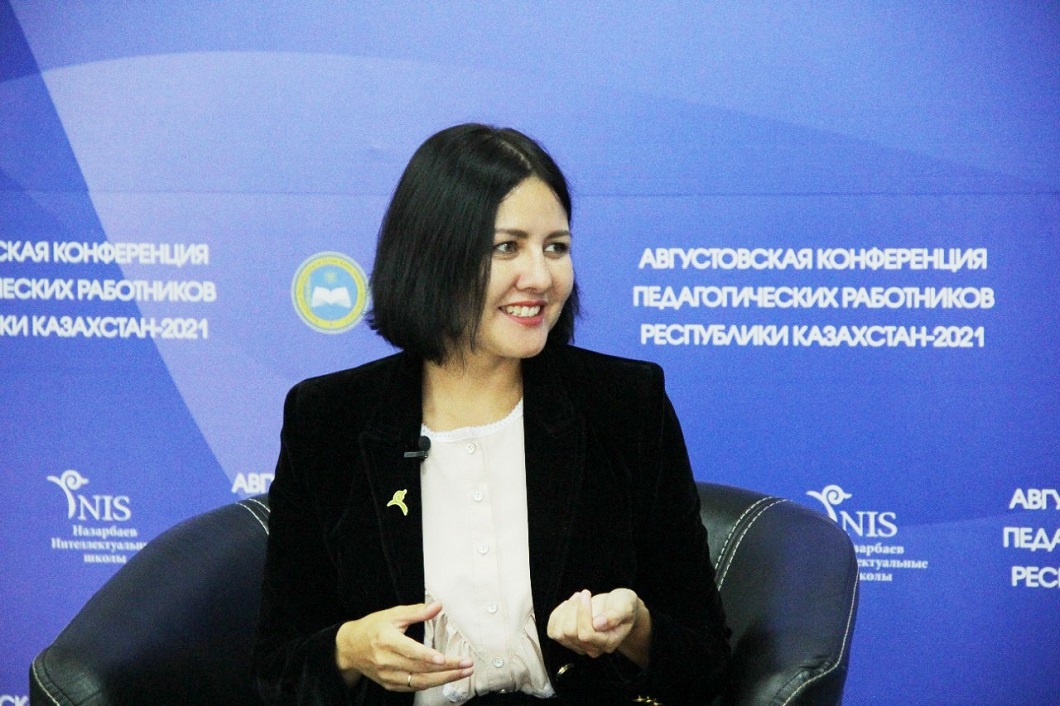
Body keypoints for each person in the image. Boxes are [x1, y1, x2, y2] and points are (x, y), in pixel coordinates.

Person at [253, 124, 730, 705]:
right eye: (507, 247)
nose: (541, 277)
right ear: (432, 255)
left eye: (556, 247)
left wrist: (635, 629)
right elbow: (276, 672)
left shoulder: (625, 404)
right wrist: (349, 649)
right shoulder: (327, 419)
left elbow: (707, 660)